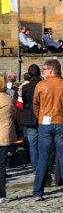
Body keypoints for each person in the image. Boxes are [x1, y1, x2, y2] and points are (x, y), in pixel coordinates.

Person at [32, 59, 63, 200]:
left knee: (43, 158)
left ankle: (38, 192)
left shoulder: (41, 85)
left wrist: (40, 117)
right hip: (61, 122)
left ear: (51, 70)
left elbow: (36, 105)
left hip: (45, 123)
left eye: (45, 69)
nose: (44, 71)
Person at [19, 63, 42, 172]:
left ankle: (35, 167)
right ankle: (43, 166)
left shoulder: (26, 87)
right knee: (44, 143)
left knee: (33, 144)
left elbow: (25, 103)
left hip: (30, 117)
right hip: (42, 115)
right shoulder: (42, 85)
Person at [0, 73, 17, 204]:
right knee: (1, 165)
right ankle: (1, 193)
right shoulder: (9, 98)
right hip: (4, 133)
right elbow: (14, 114)